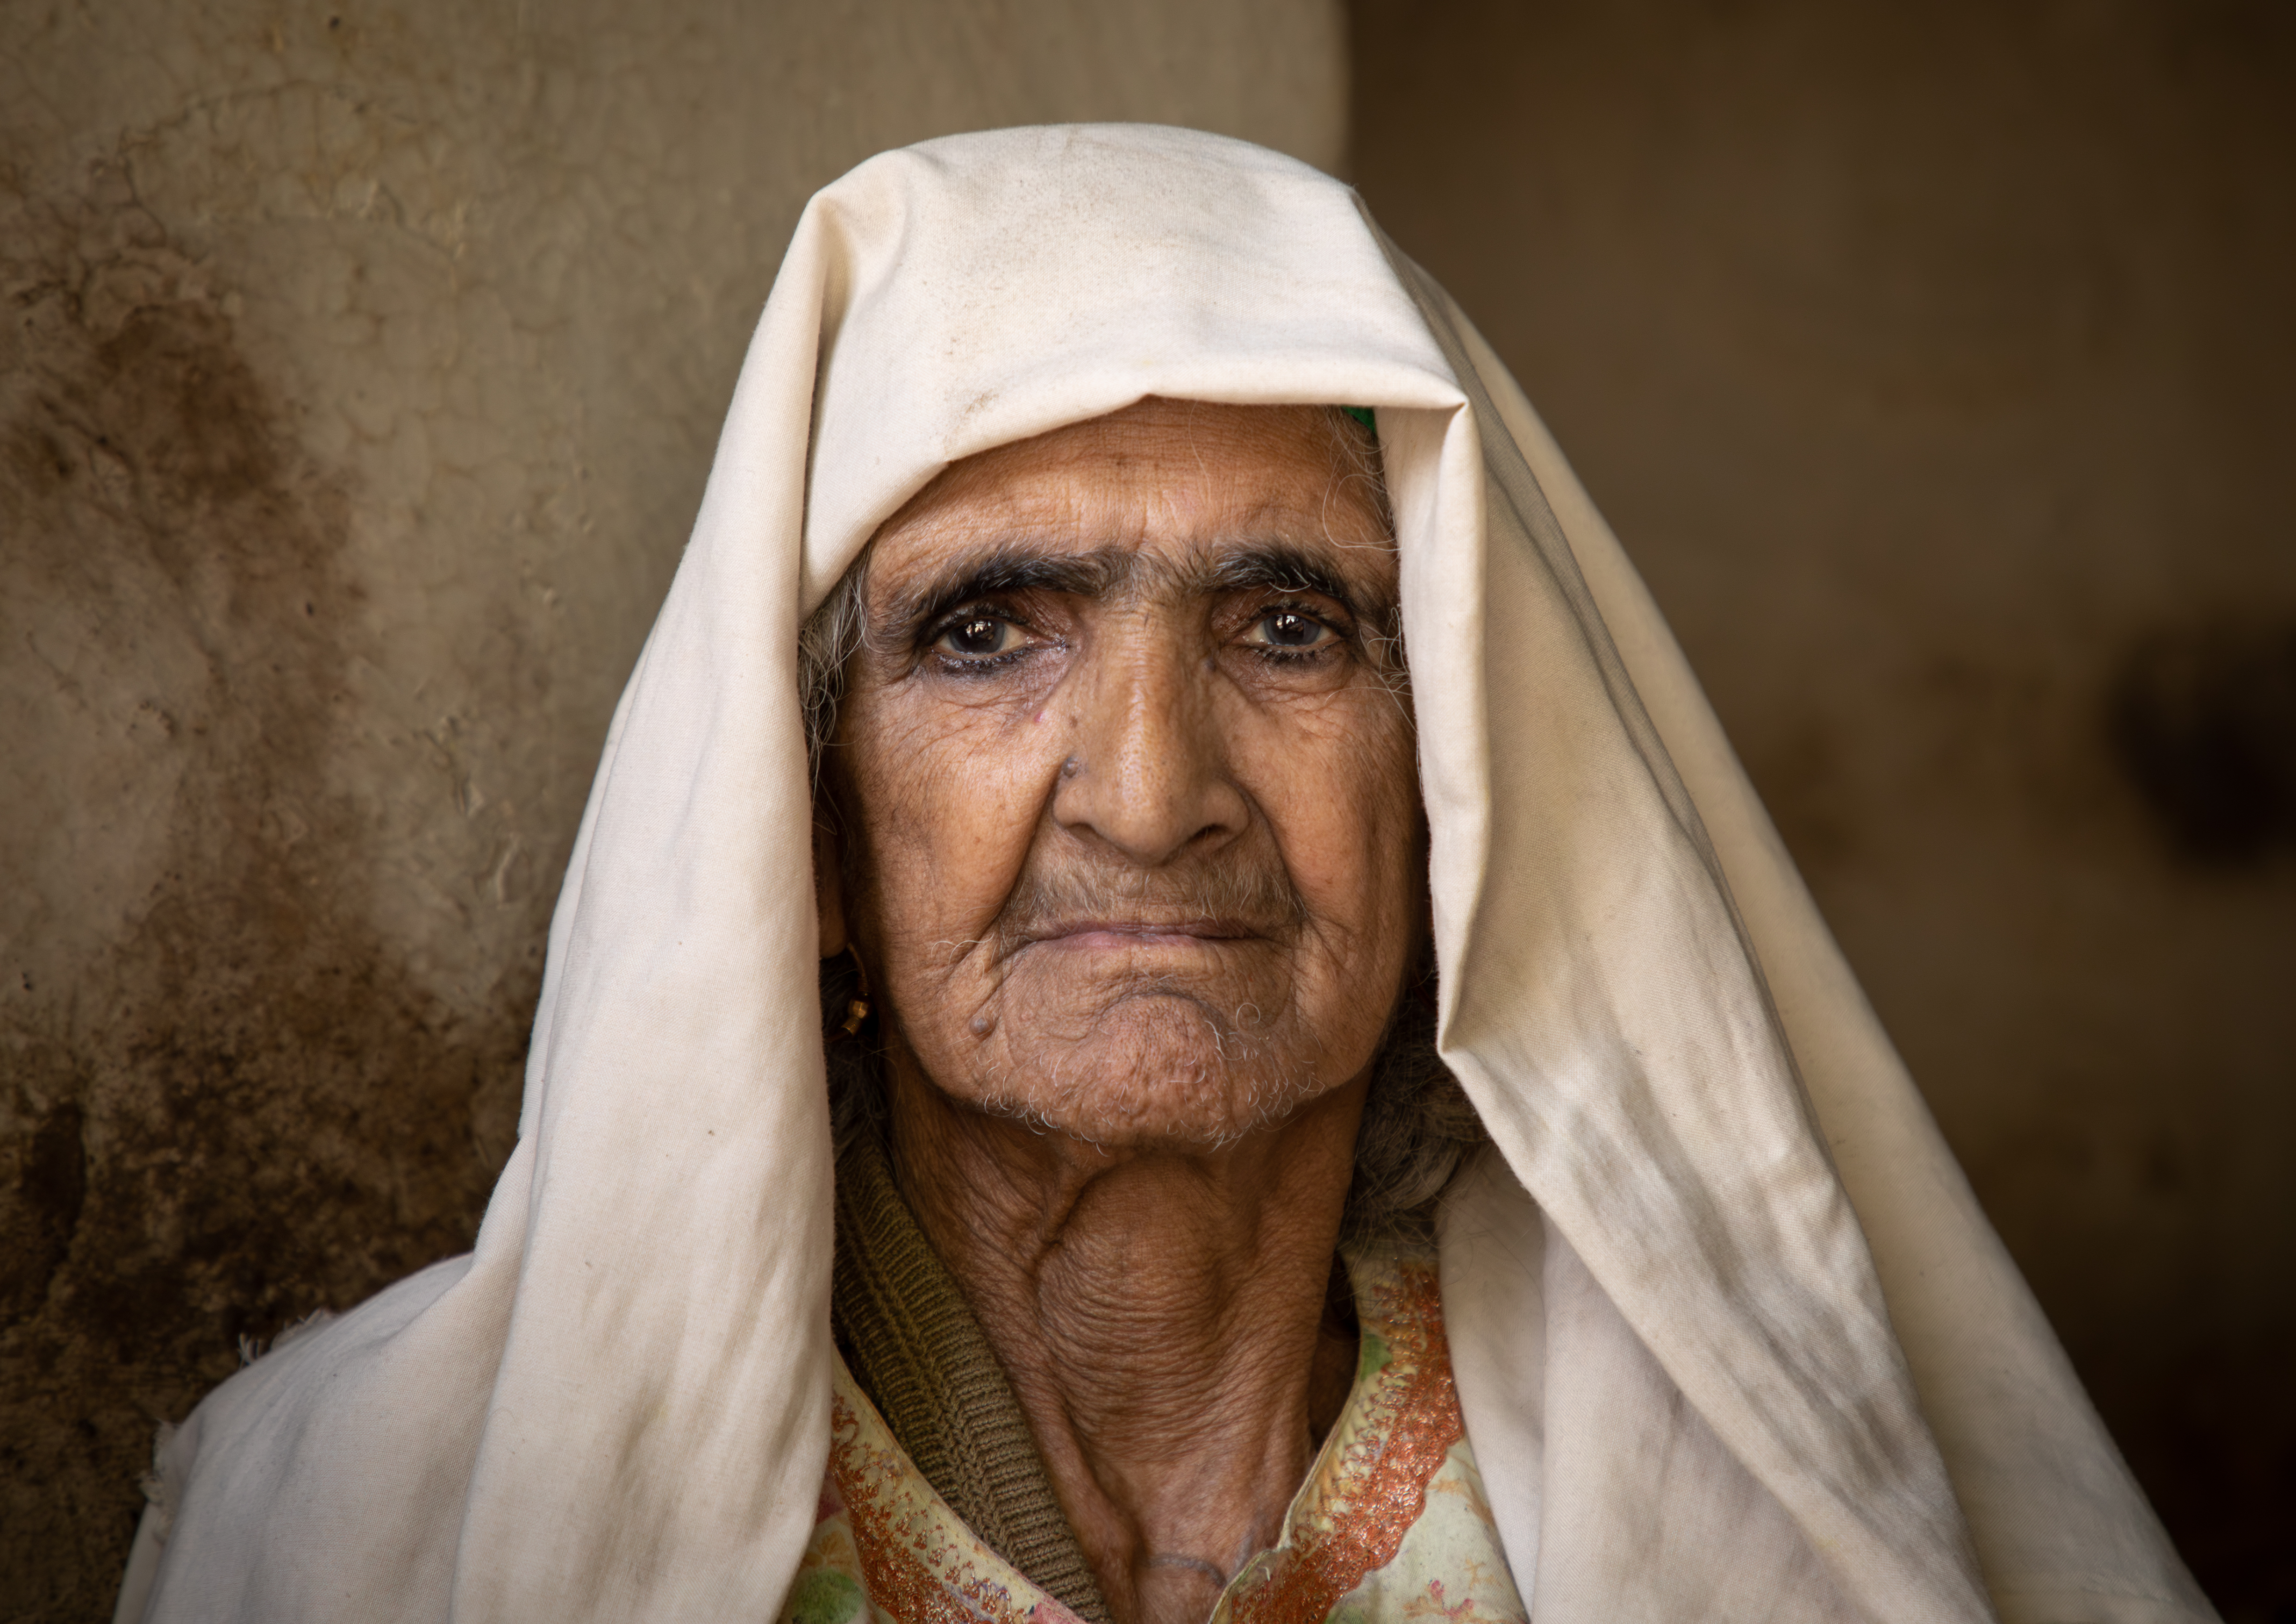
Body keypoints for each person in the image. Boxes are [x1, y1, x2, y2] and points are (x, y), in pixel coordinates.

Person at [114, 125, 2212, 1624]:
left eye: (1287, 628)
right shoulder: (345, 1529)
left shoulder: (1729, 1504)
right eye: (986, 633)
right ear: (812, 843)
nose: (1147, 790)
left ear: (1457, 800)